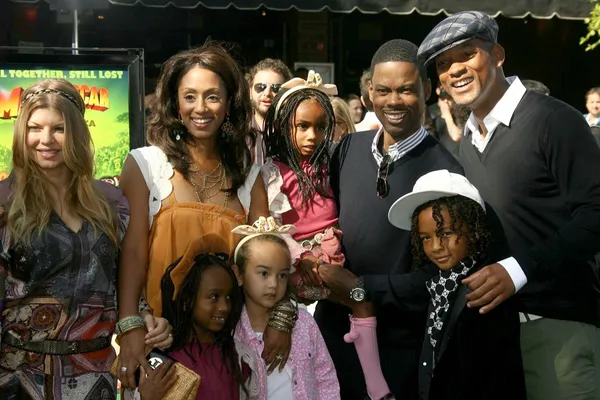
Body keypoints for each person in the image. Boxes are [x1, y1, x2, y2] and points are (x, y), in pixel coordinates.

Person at [418, 11, 600, 400]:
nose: (455, 70)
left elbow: (596, 213)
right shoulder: (468, 139)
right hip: (493, 336)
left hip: (556, 328)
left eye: (466, 55)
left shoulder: (555, 120)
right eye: (444, 65)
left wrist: (518, 270)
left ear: (497, 54)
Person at [116, 42, 295, 389]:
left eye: (213, 96)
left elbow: (266, 261)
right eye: (190, 96)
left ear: (230, 103)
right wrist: (131, 324)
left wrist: (283, 317)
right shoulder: (145, 165)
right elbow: (133, 254)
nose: (201, 108)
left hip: (225, 354)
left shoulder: (250, 175)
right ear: (174, 102)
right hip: (158, 346)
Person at [0, 79, 171, 399]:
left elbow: (118, 280)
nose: (45, 139)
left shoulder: (111, 203)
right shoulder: (4, 204)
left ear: (77, 133)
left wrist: (143, 318)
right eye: (35, 128)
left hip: (94, 377)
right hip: (17, 379)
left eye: (59, 128)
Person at [315, 39, 463, 399]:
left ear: (427, 90)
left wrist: (360, 286)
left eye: (406, 90)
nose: (393, 101)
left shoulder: (445, 172)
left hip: (399, 350)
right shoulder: (347, 149)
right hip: (331, 339)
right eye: (383, 90)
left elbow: (444, 278)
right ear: (368, 93)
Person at [263, 72, 395, 400]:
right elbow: (270, 225)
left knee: (360, 301)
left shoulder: (331, 164)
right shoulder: (273, 172)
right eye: (303, 127)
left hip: (333, 260)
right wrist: (301, 256)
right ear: (284, 127)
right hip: (299, 268)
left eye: (321, 127)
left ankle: (375, 383)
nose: (313, 136)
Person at [387, 170, 526, 400]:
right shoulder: (437, 286)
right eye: (425, 238)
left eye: (447, 233)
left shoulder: (485, 290)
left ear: (474, 228)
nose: (436, 247)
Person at [232, 218, 340, 399]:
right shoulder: (233, 333)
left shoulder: (304, 323)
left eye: (282, 275)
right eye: (263, 273)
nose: (273, 284)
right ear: (239, 275)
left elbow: (324, 375)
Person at [247, 59, 293, 164]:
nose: (267, 93)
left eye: (276, 88)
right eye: (260, 87)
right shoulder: (236, 129)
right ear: (250, 92)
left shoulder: (293, 131)